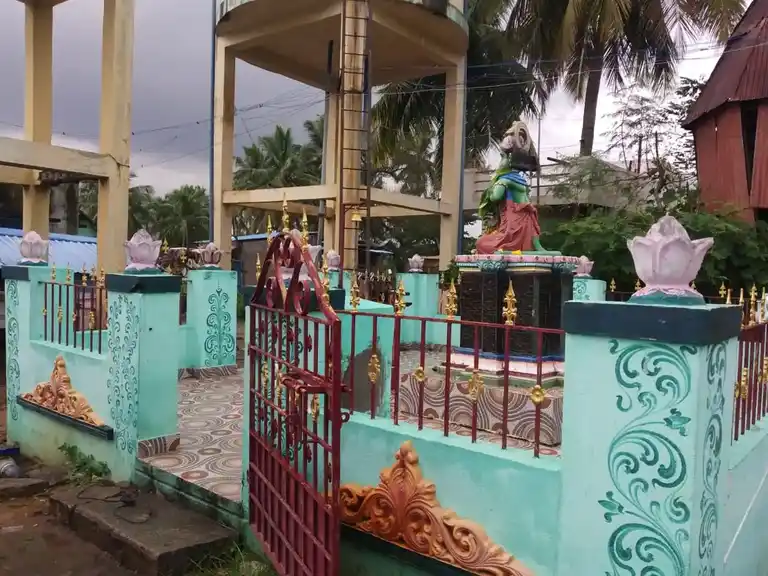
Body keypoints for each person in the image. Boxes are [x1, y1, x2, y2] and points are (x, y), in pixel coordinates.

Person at [476, 122, 545, 253]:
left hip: (513, 230)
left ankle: (506, 250)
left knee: (481, 243)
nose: (500, 162)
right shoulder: (522, 182)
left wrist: (492, 187)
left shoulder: (506, 180)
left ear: (509, 160)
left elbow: (495, 197)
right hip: (523, 225)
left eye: (502, 158)